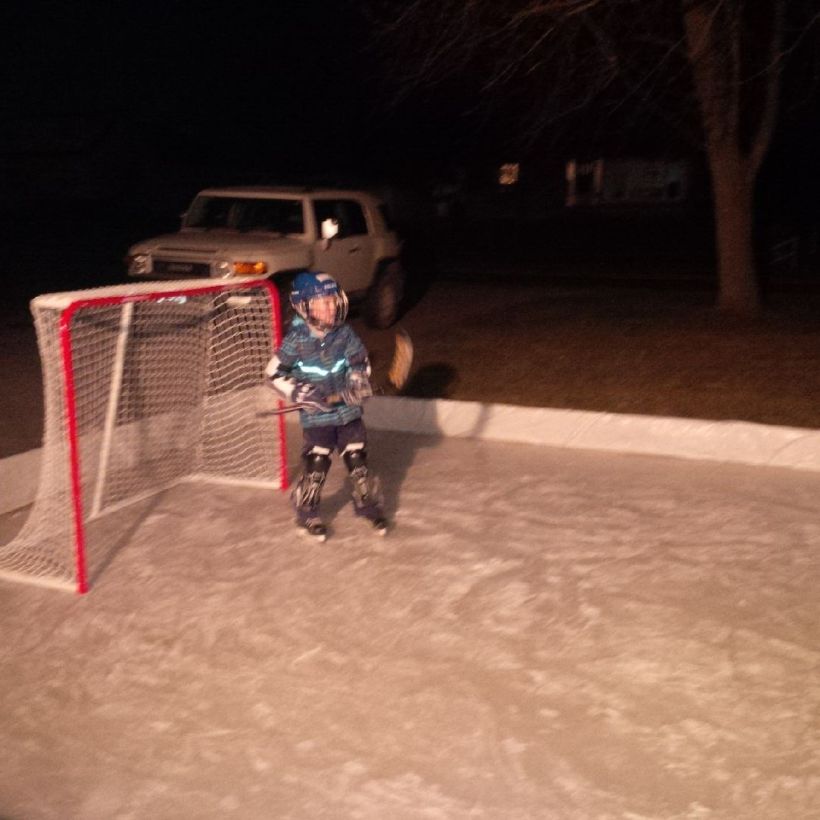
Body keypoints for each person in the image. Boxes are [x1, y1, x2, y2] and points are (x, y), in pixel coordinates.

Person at [265, 271, 388, 541]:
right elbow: (273, 374)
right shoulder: (296, 340)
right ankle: (306, 508)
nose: (331, 307)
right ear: (304, 306)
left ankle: (367, 505)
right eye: (324, 302)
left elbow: (359, 361)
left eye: (333, 301)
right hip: (318, 417)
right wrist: (301, 392)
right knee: (317, 461)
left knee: (357, 459)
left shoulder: (344, 333)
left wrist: (357, 379)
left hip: (348, 412)